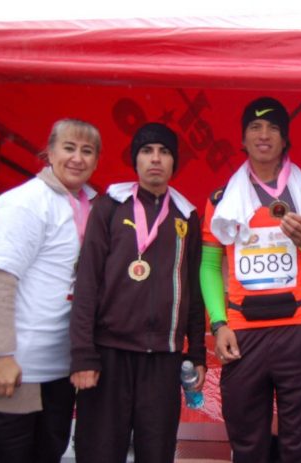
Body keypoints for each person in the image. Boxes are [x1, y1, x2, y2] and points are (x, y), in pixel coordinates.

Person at [0, 119, 101, 463]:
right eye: (68, 148)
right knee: (5, 454)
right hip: (13, 365)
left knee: (47, 452)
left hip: (57, 366)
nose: (77, 158)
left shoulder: (92, 206)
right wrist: (1, 356)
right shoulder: (26, 201)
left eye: (87, 151)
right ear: (49, 152)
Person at [200, 96, 301, 463]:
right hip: (242, 333)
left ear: (285, 138)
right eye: (255, 127)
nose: (263, 135)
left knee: (298, 447)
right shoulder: (221, 199)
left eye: (273, 128)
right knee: (247, 446)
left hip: (298, 329)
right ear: (242, 138)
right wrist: (219, 323)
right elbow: (209, 266)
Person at [69, 122, 206, 463]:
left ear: (174, 162)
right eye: (147, 151)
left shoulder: (187, 216)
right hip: (108, 355)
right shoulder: (109, 207)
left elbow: (193, 289)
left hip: (163, 359)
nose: (155, 159)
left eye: (164, 152)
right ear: (136, 160)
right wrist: (83, 354)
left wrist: (197, 354)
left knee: (156, 455)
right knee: (99, 454)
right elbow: (86, 283)